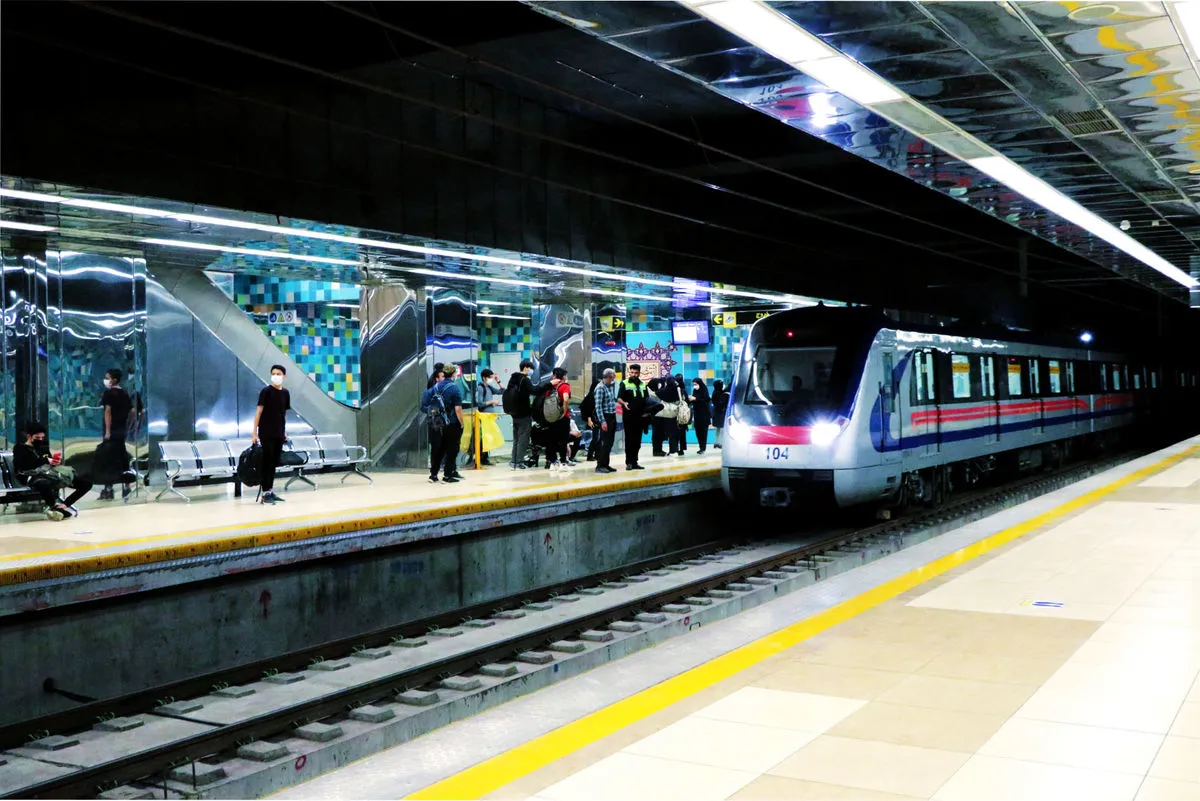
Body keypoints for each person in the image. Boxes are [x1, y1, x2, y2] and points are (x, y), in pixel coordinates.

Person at [14, 422, 93, 520]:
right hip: (31, 476)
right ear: (29, 436)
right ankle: (54, 507)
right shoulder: (20, 449)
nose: (40, 440)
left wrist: (55, 462)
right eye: (37, 438)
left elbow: (49, 463)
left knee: (86, 483)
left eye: (42, 437)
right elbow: (23, 466)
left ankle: (63, 506)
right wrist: (46, 460)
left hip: (49, 474)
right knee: (44, 483)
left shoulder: (43, 449)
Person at [252, 365, 291, 504]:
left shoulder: (285, 393)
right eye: (273, 373)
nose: (276, 376)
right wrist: (254, 433)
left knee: (274, 463)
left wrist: (284, 432)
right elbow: (258, 412)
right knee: (267, 462)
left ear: (284, 376)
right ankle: (265, 493)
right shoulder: (266, 391)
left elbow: (283, 414)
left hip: (278, 433)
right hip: (266, 432)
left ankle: (270, 490)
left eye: (278, 374)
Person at [97, 368, 136, 500]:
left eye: (107, 378)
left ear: (114, 380)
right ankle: (127, 486)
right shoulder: (124, 393)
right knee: (123, 457)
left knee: (109, 458)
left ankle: (108, 488)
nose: (105, 380)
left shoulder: (109, 393)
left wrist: (108, 431)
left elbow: (107, 411)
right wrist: (129, 425)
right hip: (121, 430)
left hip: (111, 431)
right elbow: (132, 411)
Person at [426, 364, 465, 483]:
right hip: (451, 423)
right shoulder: (454, 388)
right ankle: (447, 475)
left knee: (439, 449)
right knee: (452, 449)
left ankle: (433, 475)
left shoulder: (436, 386)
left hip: (437, 422)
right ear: (453, 374)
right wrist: (462, 423)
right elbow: (458, 409)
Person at [504, 359, 536, 470]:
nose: (531, 371)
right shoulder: (525, 379)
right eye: (530, 368)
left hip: (514, 413)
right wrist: (548, 384)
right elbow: (534, 390)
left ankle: (514, 461)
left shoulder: (513, 379)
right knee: (523, 439)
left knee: (516, 439)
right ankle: (519, 461)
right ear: (526, 368)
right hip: (524, 414)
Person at [617, 364, 647, 471]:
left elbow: (647, 399)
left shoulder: (643, 384)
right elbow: (618, 398)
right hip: (629, 417)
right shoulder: (624, 383)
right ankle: (629, 462)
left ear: (639, 373)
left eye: (636, 373)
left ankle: (635, 462)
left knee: (637, 441)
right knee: (629, 440)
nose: (634, 375)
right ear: (629, 372)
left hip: (641, 417)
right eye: (632, 372)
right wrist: (624, 403)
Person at [542, 367, 573, 472]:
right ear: (563, 376)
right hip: (562, 418)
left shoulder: (550, 388)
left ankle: (553, 463)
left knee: (551, 440)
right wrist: (564, 411)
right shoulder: (564, 386)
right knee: (563, 441)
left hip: (551, 417)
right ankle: (563, 464)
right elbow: (565, 399)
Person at [472, 368, 503, 466]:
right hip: (483, 417)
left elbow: (502, 391)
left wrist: (498, 381)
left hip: (489, 418)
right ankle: (480, 458)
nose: (491, 379)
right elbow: (480, 403)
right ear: (484, 378)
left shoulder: (489, 387)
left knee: (488, 438)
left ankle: (485, 458)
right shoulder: (481, 388)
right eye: (490, 377)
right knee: (483, 439)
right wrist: (492, 401)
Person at [593, 368, 618, 474]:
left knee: (610, 442)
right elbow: (598, 407)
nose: (613, 379)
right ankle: (600, 465)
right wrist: (603, 421)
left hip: (612, 417)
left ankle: (606, 464)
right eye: (613, 377)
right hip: (605, 418)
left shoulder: (609, 387)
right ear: (609, 376)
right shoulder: (600, 388)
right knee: (604, 443)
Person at [655, 375, 681, 456]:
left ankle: (669, 451)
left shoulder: (663, 390)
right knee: (674, 433)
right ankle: (674, 450)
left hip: (666, 414)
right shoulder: (678, 390)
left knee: (668, 433)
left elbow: (656, 394)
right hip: (675, 413)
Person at [580, 379, 600, 461]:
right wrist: (589, 419)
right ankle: (590, 455)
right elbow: (588, 409)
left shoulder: (596, 395)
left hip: (596, 419)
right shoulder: (591, 396)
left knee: (598, 438)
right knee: (595, 438)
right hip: (592, 420)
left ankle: (597, 455)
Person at [691, 377, 712, 454]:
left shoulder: (704, 390)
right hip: (697, 414)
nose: (695, 386)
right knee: (698, 431)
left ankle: (703, 448)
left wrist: (695, 399)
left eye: (696, 384)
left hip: (704, 414)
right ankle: (701, 446)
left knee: (703, 432)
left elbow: (705, 401)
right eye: (694, 384)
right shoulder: (695, 390)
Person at [674, 374, 692, 455]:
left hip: (675, 413)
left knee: (675, 432)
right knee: (682, 432)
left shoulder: (674, 390)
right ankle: (681, 449)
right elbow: (687, 401)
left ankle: (675, 448)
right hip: (682, 414)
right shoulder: (683, 390)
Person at [711, 379, 729, 449]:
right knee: (721, 429)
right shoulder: (719, 393)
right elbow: (721, 403)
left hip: (716, 413)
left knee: (718, 429)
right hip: (720, 413)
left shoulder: (715, 392)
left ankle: (716, 442)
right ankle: (720, 443)